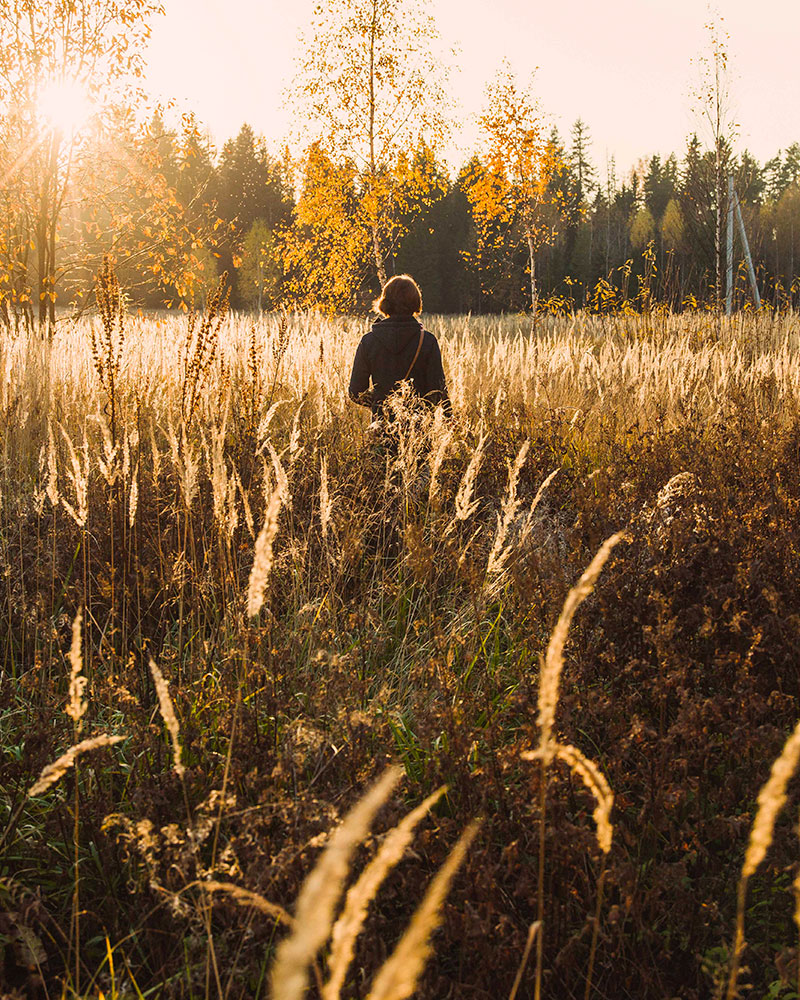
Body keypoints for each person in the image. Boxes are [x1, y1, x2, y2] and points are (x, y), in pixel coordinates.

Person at [348, 275, 451, 431]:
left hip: (382, 427)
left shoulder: (368, 341)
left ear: (385, 302)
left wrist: (380, 403)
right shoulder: (427, 341)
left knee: (382, 456)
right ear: (416, 302)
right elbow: (437, 390)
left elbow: (356, 392)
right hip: (419, 432)